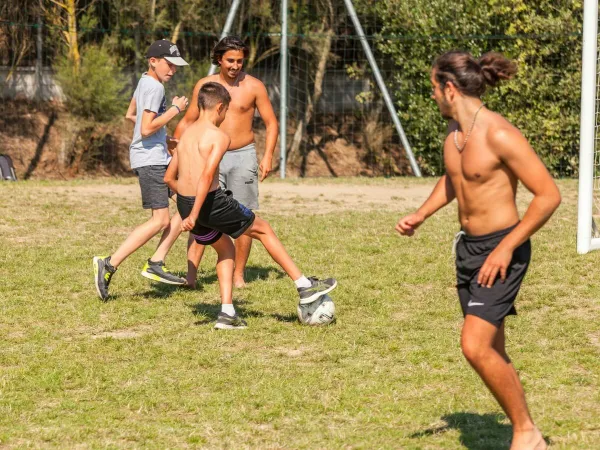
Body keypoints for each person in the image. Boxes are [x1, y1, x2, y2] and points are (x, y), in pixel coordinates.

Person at [396, 51, 560, 450]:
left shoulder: (500, 134)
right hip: (467, 250)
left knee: (474, 345)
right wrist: (422, 214)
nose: (433, 95)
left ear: (450, 89)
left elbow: (548, 196)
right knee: (492, 349)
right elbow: (455, 180)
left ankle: (527, 433)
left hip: (502, 249)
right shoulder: (454, 133)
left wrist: (504, 249)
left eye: (434, 88)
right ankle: (525, 429)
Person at [170, 81, 336, 329]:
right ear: (220, 107)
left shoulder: (185, 135)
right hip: (209, 204)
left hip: (185, 203)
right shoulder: (219, 136)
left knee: (226, 249)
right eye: (226, 111)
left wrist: (187, 206)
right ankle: (304, 286)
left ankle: (227, 314)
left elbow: (169, 177)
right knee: (263, 229)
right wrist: (196, 213)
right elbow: (206, 176)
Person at [172, 36, 278, 289]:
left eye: (240, 61)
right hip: (207, 157)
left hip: (243, 155)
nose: (235, 65)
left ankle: (238, 275)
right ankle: (191, 277)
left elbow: (271, 123)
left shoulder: (254, 86)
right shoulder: (205, 86)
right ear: (219, 59)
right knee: (201, 216)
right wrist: (176, 149)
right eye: (230, 60)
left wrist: (267, 155)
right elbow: (188, 121)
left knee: (244, 217)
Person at [93, 39, 190, 300]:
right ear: (153, 62)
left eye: (176, 66)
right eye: (169, 64)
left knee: (188, 205)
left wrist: (163, 137)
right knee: (160, 220)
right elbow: (146, 128)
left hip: (156, 154)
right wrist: (174, 111)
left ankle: (156, 261)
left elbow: (132, 116)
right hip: (150, 160)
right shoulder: (155, 87)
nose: (173, 70)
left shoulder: (144, 82)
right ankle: (110, 263)